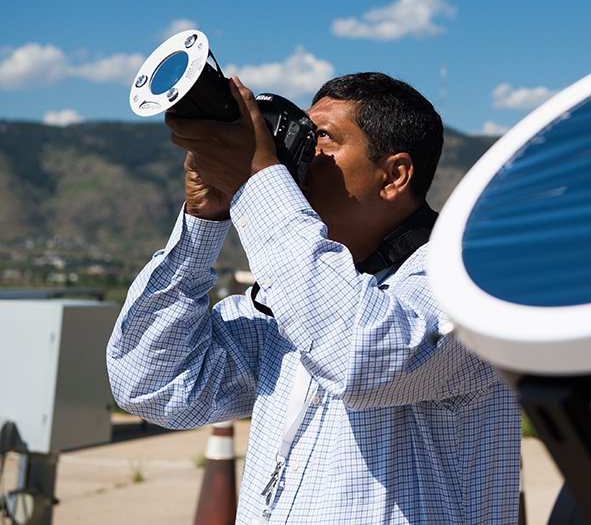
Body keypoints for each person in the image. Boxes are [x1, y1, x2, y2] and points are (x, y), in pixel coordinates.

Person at [107, 72, 521, 524]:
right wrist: (205, 220)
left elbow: (358, 357)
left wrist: (258, 178)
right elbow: (150, 384)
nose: (301, 152)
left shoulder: (469, 285)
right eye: (300, 131)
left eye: (323, 137)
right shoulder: (290, 299)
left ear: (394, 175)